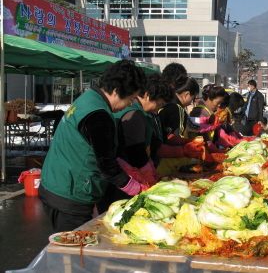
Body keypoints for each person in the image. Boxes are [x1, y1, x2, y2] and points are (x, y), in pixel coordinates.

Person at [38, 60, 148, 232]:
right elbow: (107, 167)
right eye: (131, 98)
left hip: (54, 183)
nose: (130, 104)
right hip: (70, 194)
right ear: (115, 91)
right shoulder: (99, 115)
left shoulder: (89, 98)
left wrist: (129, 169)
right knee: (74, 250)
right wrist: (138, 190)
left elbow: (102, 151)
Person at [95, 73, 173, 213]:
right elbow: (136, 153)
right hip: (121, 180)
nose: (157, 109)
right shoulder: (133, 114)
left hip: (121, 176)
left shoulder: (141, 113)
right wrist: (148, 180)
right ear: (147, 95)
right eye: (158, 104)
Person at [190, 84, 226, 150]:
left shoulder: (212, 112)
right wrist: (216, 152)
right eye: (218, 102)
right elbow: (204, 138)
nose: (219, 105)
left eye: (221, 103)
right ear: (209, 99)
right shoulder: (200, 112)